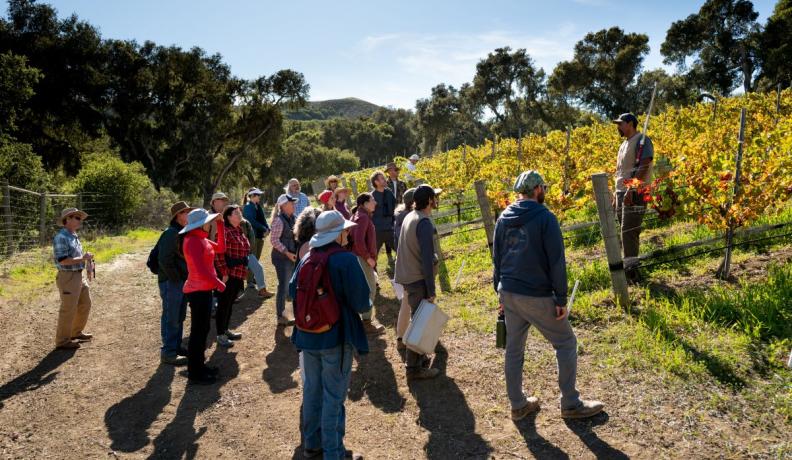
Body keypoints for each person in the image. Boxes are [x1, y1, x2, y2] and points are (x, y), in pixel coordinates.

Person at [493, 170, 604, 421]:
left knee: (514, 349)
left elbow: (497, 258)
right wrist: (561, 299)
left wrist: (498, 293)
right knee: (565, 343)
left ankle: (518, 404)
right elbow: (556, 261)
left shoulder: (503, 218)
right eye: (543, 187)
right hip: (536, 294)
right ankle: (570, 403)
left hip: (509, 292)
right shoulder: (545, 218)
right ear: (538, 190)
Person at [289, 210, 370, 460]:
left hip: (307, 335)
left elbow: (293, 291)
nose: (348, 233)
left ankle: (312, 445)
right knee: (333, 397)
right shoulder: (345, 259)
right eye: (346, 230)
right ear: (339, 233)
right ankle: (333, 453)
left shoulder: (307, 258)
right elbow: (362, 304)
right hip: (336, 336)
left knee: (312, 391)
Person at [394, 184, 443, 380]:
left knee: (418, 319)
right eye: (435, 197)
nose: (436, 200)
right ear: (430, 200)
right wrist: (431, 290)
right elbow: (426, 259)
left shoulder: (410, 216)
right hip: (417, 279)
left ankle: (420, 359)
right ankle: (413, 368)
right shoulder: (423, 223)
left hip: (409, 276)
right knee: (419, 322)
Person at [180, 208, 226, 384]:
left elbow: (221, 248)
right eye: (209, 222)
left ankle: (199, 366)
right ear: (200, 224)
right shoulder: (192, 241)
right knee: (198, 332)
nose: (210, 223)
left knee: (203, 330)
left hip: (205, 290)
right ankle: (195, 373)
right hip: (197, 292)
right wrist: (219, 283)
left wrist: (220, 225)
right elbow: (200, 269)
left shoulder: (201, 238)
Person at [612, 113, 654, 274]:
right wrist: (617, 194)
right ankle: (630, 267)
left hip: (636, 192)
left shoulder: (643, 141)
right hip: (622, 192)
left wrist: (632, 188)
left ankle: (632, 272)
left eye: (620, 124)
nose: (618, 127)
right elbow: (620, 171)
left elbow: (644, 165)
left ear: (630, 124)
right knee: (625, 232)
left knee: (629, 232)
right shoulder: (624, 144)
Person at [157, 201, 195, 365]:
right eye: (185, 212)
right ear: (177, 216)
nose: (188, 214)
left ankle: (176, 347)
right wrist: (176, 278)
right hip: (171, 282)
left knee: (179, 315)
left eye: (188, 211)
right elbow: (164, 260)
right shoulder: (171, 233)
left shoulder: (182, 232)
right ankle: (168, 352)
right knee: (171, 316)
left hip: (180, 281)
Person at [52, 208, 94, 350]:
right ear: (67, 219)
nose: (79, 220)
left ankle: (75, 332)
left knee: (85, 304)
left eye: (79, 217)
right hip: (68, 277)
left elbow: (77, 257)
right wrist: (83, 258)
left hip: (78, 275)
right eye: (76, 217)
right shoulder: (61, 237)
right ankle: (62, 341)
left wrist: (87, 262)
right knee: (68, 309)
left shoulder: (73, 235)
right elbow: (63, 260)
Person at [350, 193, 386, 335]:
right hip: (361, 259)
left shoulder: (360, 215)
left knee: (363, 289)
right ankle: (366, 322)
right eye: (372, 200)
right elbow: (358, 241)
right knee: (370, 289)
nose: (375, 203)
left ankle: (361, 321)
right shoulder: (363, 217)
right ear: (364, 204)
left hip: (358, 258)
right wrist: (368, 258)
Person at [214, 205, 249, 348]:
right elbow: (218, 254)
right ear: (228, 217)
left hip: (237, 274)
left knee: (229, 303)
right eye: (236, 213)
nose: (239, 214)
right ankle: (220, 335)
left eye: (239, 212)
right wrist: (224, 273)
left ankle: (225, 330)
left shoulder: (238, 230)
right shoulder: (225, 232)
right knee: (223, 304)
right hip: (228, 275)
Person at [392, 188, 416, 351]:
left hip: (401, 264)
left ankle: (401, 337)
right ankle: (416, 339)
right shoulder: (410, 218)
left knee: (406, 303)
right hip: (411, 266)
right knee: (412, 303)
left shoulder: (400, 217)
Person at [271, 193, 299, 326]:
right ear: (283, 206)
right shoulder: (278, 220)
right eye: (291, 203)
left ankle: (289, 312)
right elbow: (274, 240)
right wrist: (287, 253)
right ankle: (280, 315)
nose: (294, 205)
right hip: (282, 258)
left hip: (291, 257)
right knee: (283, 285)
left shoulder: (293, 218)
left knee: (289, 284)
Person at [243, 188, 271, 290]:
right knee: (253, 258)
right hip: (252, 237)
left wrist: (268, 228)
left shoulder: (257, 206)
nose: (259, 197)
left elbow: (263, 219)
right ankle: (249, 281)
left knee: (257, 257)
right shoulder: (247, 207)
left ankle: (253, 277)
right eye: (258, 195)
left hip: (260, 236)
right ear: (253, 196)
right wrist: (264, 228)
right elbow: (251, 221)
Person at [370, 170, 397, 265]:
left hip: (390, 228)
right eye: (382, 178)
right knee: (373, 257)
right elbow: (369, 214)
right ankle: (372, 277)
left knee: (401, 250)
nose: (385, 179)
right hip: (377, 231)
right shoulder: (371, 197)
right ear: (376, 182)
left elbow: (395, 207)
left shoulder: (389, 193)